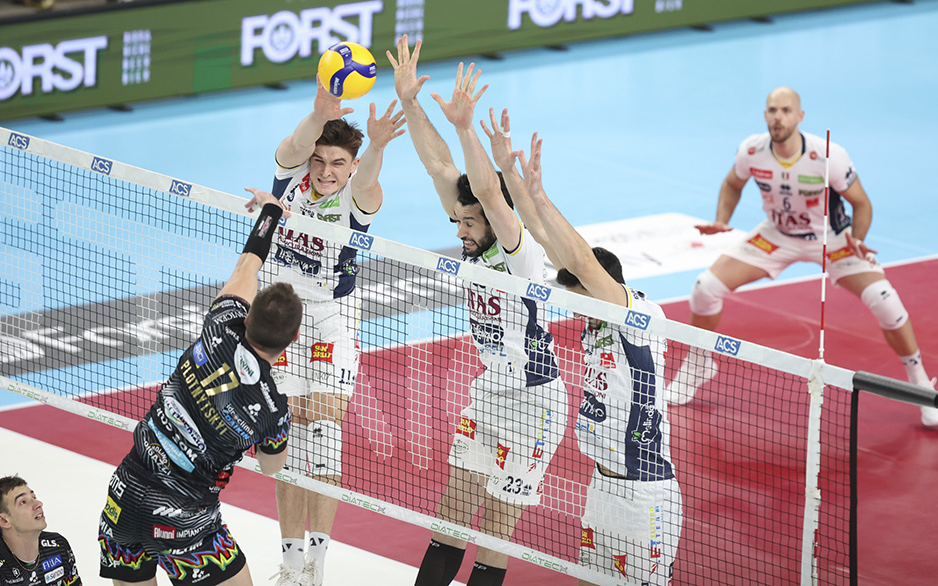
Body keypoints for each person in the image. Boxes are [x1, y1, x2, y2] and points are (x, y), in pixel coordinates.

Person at [388, 36, 566, 586]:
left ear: (493, 219)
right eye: (458, 222)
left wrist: (468, 129)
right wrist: (411, 102)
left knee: (494, 533)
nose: (460, 230)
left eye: (468, 223)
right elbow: (439, 166)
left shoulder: (518, 251)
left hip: (535, 401)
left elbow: (489, 192)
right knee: (449, 520)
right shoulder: (473, 233)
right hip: (490, 390)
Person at [666, 86, 938, 426]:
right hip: (777, 235)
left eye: (786, 111)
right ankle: (698, 364)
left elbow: (861, 203)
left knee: (885, 299)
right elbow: (732, 184)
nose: (778, 117)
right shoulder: (752, 150)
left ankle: (920, 384)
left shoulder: (828, 155)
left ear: (799, 116)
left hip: (831, 239)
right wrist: (722, 220)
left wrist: (858, 239)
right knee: (705, 288)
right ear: (765, 115)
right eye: (772, 110)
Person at [98, 192, 303, 586]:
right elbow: (271, 466)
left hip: (124, 495)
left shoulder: (221, 323)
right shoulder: (274, 410)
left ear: (248, 318)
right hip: (184, 520)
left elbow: (247, 266)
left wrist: (272, 211)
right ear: (293, 338)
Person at [508, 131, 681, 586]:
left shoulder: (638, 316)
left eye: (580, 297)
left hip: (644, 493)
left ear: (604, 289)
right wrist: (515, 182)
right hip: (602, 484)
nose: (573, 308)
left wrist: (542, 197)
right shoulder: (595, 319)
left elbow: (584, 263)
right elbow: (550, 244)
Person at [265, 76, 404, 586]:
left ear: (352, 166)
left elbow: (367, 182)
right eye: (320, 160)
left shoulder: (358, 197)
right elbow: (296, 144)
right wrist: (320, 112)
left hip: (332, 315)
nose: (326, 171)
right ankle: (290, 562)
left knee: (324, 433)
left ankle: (316, 566)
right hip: (279, 315)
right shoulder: (290, 175)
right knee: (287, 437)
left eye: (338, 163)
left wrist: (378, 147)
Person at [0, 476, 81, 586]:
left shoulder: (57, 545)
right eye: (23, 502)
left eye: (34, 497)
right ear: (3, 520)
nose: (38, 504)